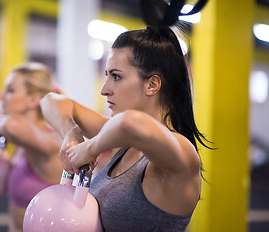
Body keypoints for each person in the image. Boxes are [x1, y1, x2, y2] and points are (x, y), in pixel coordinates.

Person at [40, 26, 210, 232]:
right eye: (106, 75)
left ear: (152, 85)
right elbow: (51, 101)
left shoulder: (181, 152)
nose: (104, 89)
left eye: (116, 76)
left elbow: (130, 124)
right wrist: (71, 134)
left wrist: (88, 149)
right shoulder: (123, 140)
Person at [0, 62, 62, 232]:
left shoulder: (49, 141)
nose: (1, 96)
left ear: (33, 100)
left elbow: (11, 125)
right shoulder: (23, 142)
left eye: (10, 90)